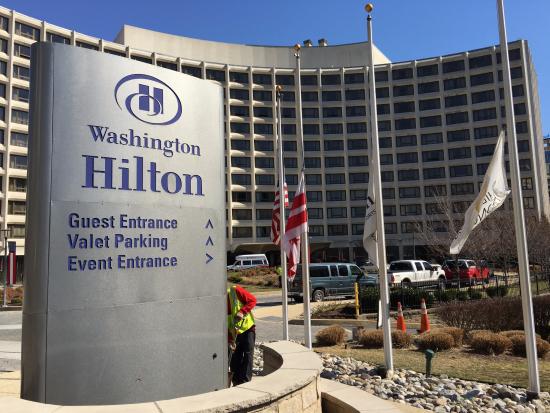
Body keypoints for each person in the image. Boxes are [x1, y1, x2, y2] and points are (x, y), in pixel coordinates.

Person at [227, 284, 257, 386]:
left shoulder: (235, 290)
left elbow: (252, 300)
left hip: (248, 329)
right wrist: (230, 340)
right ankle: (236, 381)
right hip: (234, 333)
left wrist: (242, 311)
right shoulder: (219, 304)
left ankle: (245, 381)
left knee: (248, 354)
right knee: (235, 357)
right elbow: (226, 323)